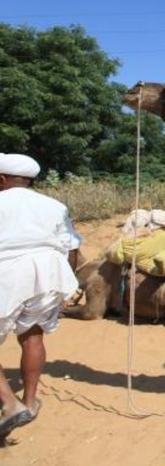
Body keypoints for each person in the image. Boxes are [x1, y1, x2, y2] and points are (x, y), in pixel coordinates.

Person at [0, 154, 81, 438]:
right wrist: (69, 284)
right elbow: (71, 247)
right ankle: (31, 401)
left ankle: (10, 403)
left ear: (1, 179)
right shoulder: (54, 205)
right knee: (33, 337)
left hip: (6, 275)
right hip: (48, 274)